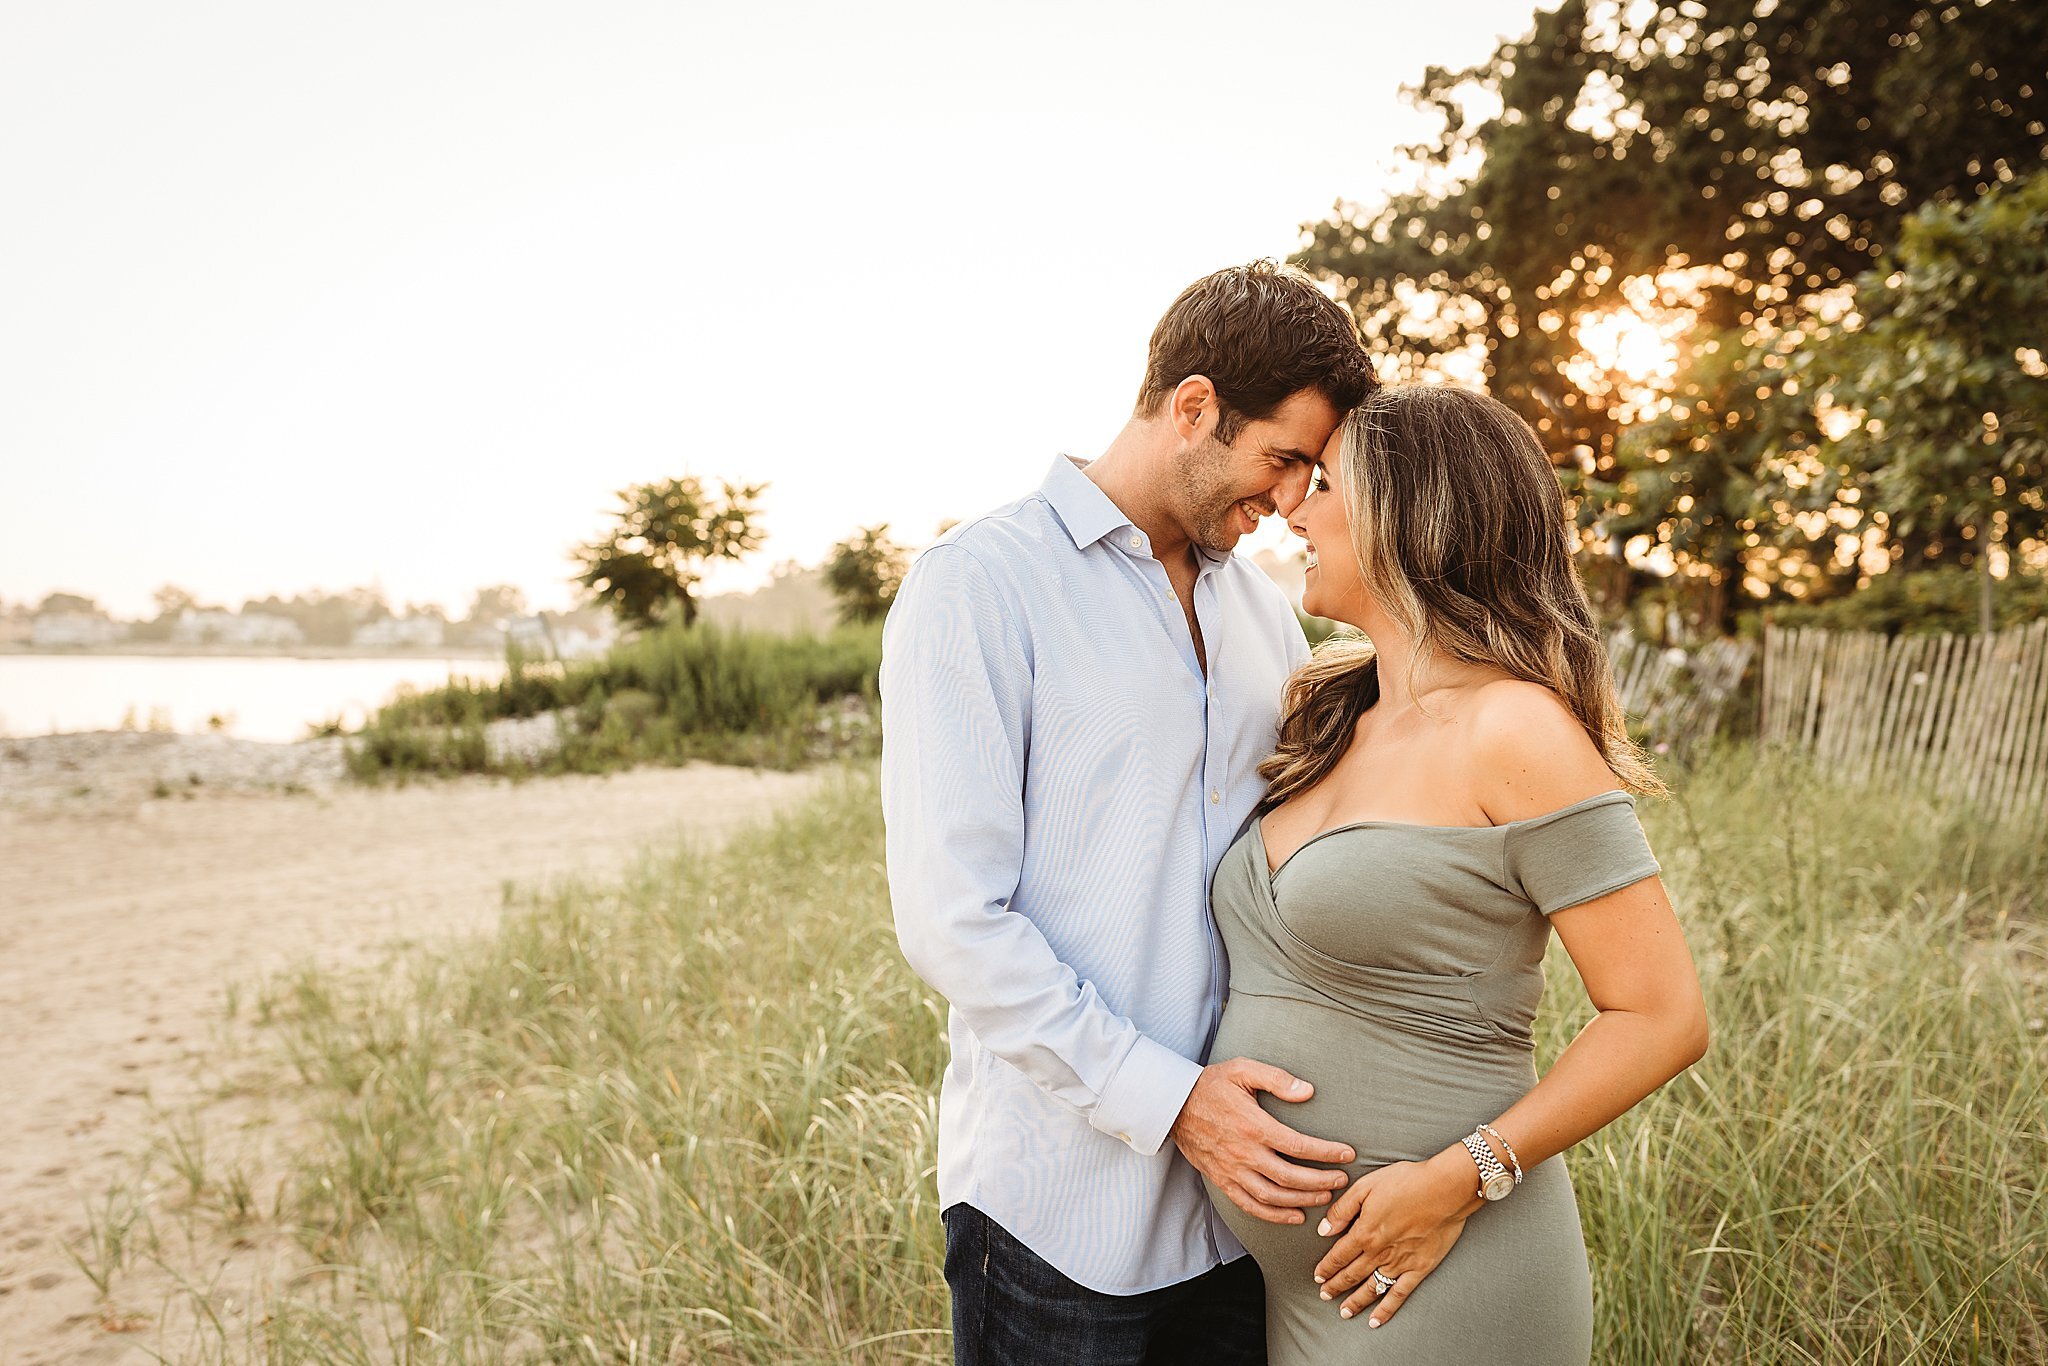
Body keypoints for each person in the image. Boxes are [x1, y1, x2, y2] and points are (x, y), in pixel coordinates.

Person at [880, 261, 1374, 1364]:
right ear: (1193, 407)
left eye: (1312, 473)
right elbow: (953, 918)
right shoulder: (979, 585)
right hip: (1059, 1212)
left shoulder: (1260, 612)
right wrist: (1172, 1100)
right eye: (1283, 458)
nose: (1293, 500)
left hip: (1245, 1214)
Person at [1201, 382, 1711, 1364]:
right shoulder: (1325, 713)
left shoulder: (1512, 727)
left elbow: (1661, 1015)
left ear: (1408, 513)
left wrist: (1459, 1177)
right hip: (1299, 1290)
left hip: (1442, 1268)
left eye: (1324, 484)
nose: (1292, 509)